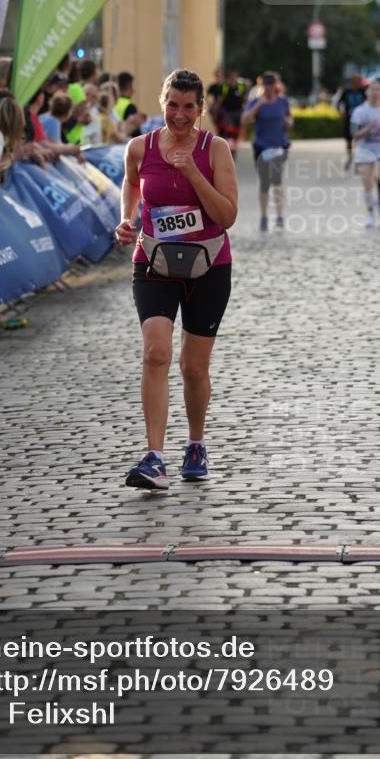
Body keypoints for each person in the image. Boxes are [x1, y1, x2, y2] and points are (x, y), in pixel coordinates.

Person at [115, 69, 238, 490]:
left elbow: (227, 217)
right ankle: (154, 457)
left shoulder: (215, 149)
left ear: (201, 109)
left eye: (188, 107)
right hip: (154, 263)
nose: (179, 115)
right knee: (155, 353)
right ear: (161, 102)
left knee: (193, 366)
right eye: (172, 105)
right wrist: (126, 220)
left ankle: (196, 444)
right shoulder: (139, 147)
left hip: (209, 266)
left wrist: (192, 174)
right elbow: (131, 186)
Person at [241, 72, 293, 232]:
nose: (269, 88)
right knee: (264, 182)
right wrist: (259, 105)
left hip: (279, 146)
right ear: (262, 86)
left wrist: (285, 120)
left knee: (277, 180)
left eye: (272, 84)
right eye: (266, 85)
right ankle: (264, 216)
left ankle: (279, 216)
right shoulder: (256, 102)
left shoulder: (283, 101)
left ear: (276, 85)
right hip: (262, 147)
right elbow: (244, 120)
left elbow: (290, 122)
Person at [351, 79, 380, 228]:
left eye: (378, 89)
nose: (374, 92)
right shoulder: (359, 111)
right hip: (365, 150)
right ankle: (370, 213)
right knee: (367, 185)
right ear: (367, 92)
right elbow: (354, 133)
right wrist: (368, 128)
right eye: (372, 89)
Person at [207, 68, 247, 150]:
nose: (233, 78)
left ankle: (233, 146)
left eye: (235, 76)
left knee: (237, 130)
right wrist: (215, 109)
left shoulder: (240, 86)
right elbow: (219, 99)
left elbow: (244, 99)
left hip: (238, 111)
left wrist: (246, 111)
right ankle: (228, 147)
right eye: (231, 77)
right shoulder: (225, 87)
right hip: (228, 112)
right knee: (229, 130)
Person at [336, 73, 366, 171]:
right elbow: (338, 103)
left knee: (360, 141)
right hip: (349, 120)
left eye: (359, 80)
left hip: (361, 121)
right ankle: (350, 157)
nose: (357, 83)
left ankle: (359, 161)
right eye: (355, 80)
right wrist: (341, 112)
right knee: (348, 141)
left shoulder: (364, 91)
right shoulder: (347, 91)